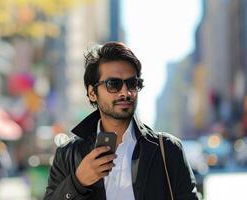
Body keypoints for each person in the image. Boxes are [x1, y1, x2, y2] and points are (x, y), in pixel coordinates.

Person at [44, 42, 199, 200]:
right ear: (92, 93)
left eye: (132, 83)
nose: (125, 92)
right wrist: (78, 182)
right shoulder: (68, 154)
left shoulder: (168, 150)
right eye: (113, 84)